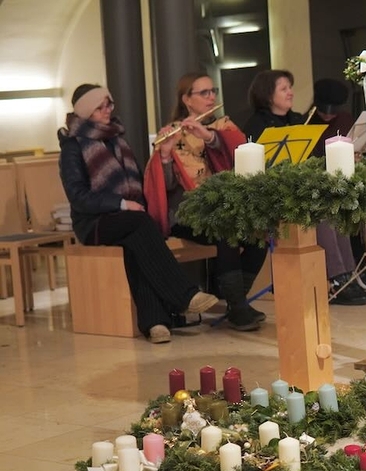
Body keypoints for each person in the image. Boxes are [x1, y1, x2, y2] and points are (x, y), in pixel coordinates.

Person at [58, 84, 219, 344]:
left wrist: (163, 157)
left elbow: (141, 183)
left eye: (109, 104)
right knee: (139, 225)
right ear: (86, 112)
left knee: (136, 240)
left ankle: (155, 323)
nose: (107, 110)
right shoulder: (73, 147)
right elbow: (78, 197)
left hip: (128, 220)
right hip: (93, 222)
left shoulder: (117, 139)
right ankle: (184, 295)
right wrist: (121, 204)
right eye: (100, 107)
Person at [144, 72, 267, 331]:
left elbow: (242, 154)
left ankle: (236, 303)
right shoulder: (173, 133)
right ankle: (238, 307)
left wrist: (210, 137)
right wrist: (165, 155)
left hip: (226, 207)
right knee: (225, 230)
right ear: (187, 99)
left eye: (213, 91)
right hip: (188, 214)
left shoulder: (223, 127)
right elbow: (164, 186)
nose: (211, 97)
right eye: (204, 93)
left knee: (259, 233)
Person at [307, 78, 366, 306]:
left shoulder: (345, 121)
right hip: (314, 188)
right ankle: (338, 277)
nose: (327, 115)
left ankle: (348, 274)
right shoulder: (307, 122)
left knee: (340, 214)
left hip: (336, 186)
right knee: (329, 213)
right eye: (323, 110)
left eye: (331, 111)